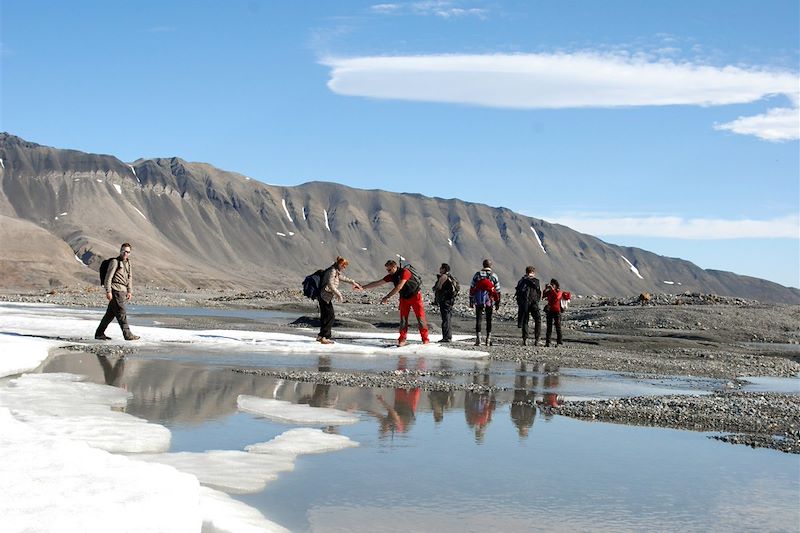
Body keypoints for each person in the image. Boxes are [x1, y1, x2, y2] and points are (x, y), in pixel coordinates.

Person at [361, 260, 429, 346]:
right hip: (404, 297)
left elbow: (399, 286)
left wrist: (387, 297)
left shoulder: (405, 272)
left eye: (389, 270)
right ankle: (402, 340)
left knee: (420, 318)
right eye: (387, 270)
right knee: (403, 320)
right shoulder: (392, 276)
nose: (388, 272)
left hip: (415, 296)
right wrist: (362, 287)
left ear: (394, 267)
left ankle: (425, 339)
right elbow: (378, 283)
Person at [95, 242, 139, 341]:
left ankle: (99, 333)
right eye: (123, 251)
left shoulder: (129, 263)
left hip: (123, 291)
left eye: (127, 252)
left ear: (130, 253)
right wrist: (108, 291)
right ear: (120, 251)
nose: (125, 253)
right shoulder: (115, 262)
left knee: (110, 314)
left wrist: (129, 291)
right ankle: (127, 335)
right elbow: (108, 277)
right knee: (121, 313)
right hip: (116, 290)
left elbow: (129, 278)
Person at [317, 256, 362, 344]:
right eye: (344, 266)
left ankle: (321, 336)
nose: (344, 268)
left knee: (326, 316)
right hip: (324, 296)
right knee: (330, 316)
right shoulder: (332, 271)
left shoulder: (335, 271)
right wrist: (338, 294)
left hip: (325, 296)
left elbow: (343, 278)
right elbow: (330, 284)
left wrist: (353, 282)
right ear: (340, 264)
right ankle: (324, 337)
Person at [469, 259, 500, 346]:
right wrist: (497, 302)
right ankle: (488, 339)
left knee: (478, 319)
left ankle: (478, 339)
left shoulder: (477, 275)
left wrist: (471, 300)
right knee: (489, 319)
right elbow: (497, 290)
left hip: (478, 300)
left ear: (483, 265)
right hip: (489, 301)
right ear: (490, 266)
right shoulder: (494, 276)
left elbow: (472, 288)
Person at [515, 266, 542, 346]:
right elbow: (538, 292)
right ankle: (537, 339)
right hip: (533, 303)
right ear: (533, 272)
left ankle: (525, 339)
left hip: (524, 303)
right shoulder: (536, 281)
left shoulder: (521, 281)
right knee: (538, 320)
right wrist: (537, 301)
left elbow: (518, 292)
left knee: (525, 321)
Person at [432, 263, 457, 343]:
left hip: (445, 300)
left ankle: (446, 337)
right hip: (450, 301)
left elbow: (438, 287)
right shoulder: (450, 277)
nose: (439, 269)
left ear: (443, 269)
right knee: (448, 318)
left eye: (441, 268)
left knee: (445, 318)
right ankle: (448, 336)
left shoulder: (443, 277)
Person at [542, 278, 571, 347]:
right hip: (550, 311)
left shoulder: (559, 292)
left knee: (558, 327)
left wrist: (552, 290)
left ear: (556, 285)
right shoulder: (549, 292)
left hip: (557, 311)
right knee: (549, 327)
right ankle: (548, 342)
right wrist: (545, 289)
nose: (551, 286)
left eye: (553, 285)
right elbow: (543, 296)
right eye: (551, 284)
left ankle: (559, 341)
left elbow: (557, 297)